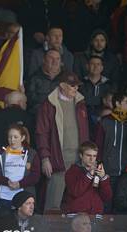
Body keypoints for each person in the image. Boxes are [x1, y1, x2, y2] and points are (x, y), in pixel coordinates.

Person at [36, 72, 89, 212]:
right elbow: (42, 133)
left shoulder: (80, 103)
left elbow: (86, 132)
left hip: (79, 160)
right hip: (58, 159)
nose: (76, 88)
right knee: (53, 202)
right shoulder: (49, 104)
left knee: (76, 203)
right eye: (72, 85)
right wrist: (45, 158)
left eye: (77, 86)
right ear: (62, 85)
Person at [0, 124, 41, 213]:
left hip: (23, 200)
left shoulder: (31, 154)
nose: (12, 140)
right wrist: (6, 182)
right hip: (3, 197)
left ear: (22, 138)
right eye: (10, 137)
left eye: (16, 137)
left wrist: (20, 184)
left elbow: (35, 175)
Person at [63, 141, 112, 215]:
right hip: (77, 215)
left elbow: (107, 197)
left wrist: (103, 178)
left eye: (94, 156)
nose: (92, 159)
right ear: (81, 155)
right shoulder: (72, 171)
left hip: (95, 215)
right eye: (88, 155)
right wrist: (89, 175)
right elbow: (75, 192)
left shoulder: (99, 171)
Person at [95, 92, 127, 184]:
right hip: (107, 172)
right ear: (117, 103)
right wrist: (99, 166)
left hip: (126, 172)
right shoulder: (104, 122)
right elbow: (98, 146)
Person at [80, 56, 113, 126]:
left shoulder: (108, 85)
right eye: (92, 64)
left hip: (102, 119)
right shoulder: (80, 84)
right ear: (87, 66)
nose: (95, 66)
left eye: (98, 64)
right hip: (84, 118)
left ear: (102, 68)